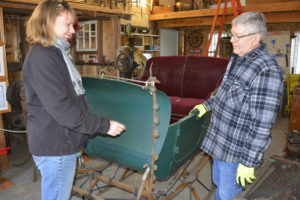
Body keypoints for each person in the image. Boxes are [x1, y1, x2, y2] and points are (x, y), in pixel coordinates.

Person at [22, 1, 126, 200]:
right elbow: (62, 108)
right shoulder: (42, 57)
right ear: (47, 22)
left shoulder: (57, 52)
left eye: (73, 25)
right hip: (56, 146)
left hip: (60, 141)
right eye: (67, 25)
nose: (73, 30)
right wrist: (104, 126)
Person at [190, 12, 283, 199]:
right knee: (219, 184)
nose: (231, 40)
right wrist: (206, 105)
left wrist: (249, 162)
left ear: (255, 38)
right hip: (220, 141)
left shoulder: (267, 71)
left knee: (225, 194)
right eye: (231, 34)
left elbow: (262, 125)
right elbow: (225, 92)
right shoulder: (238, 58)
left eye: (237, 36)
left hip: (236, 150)